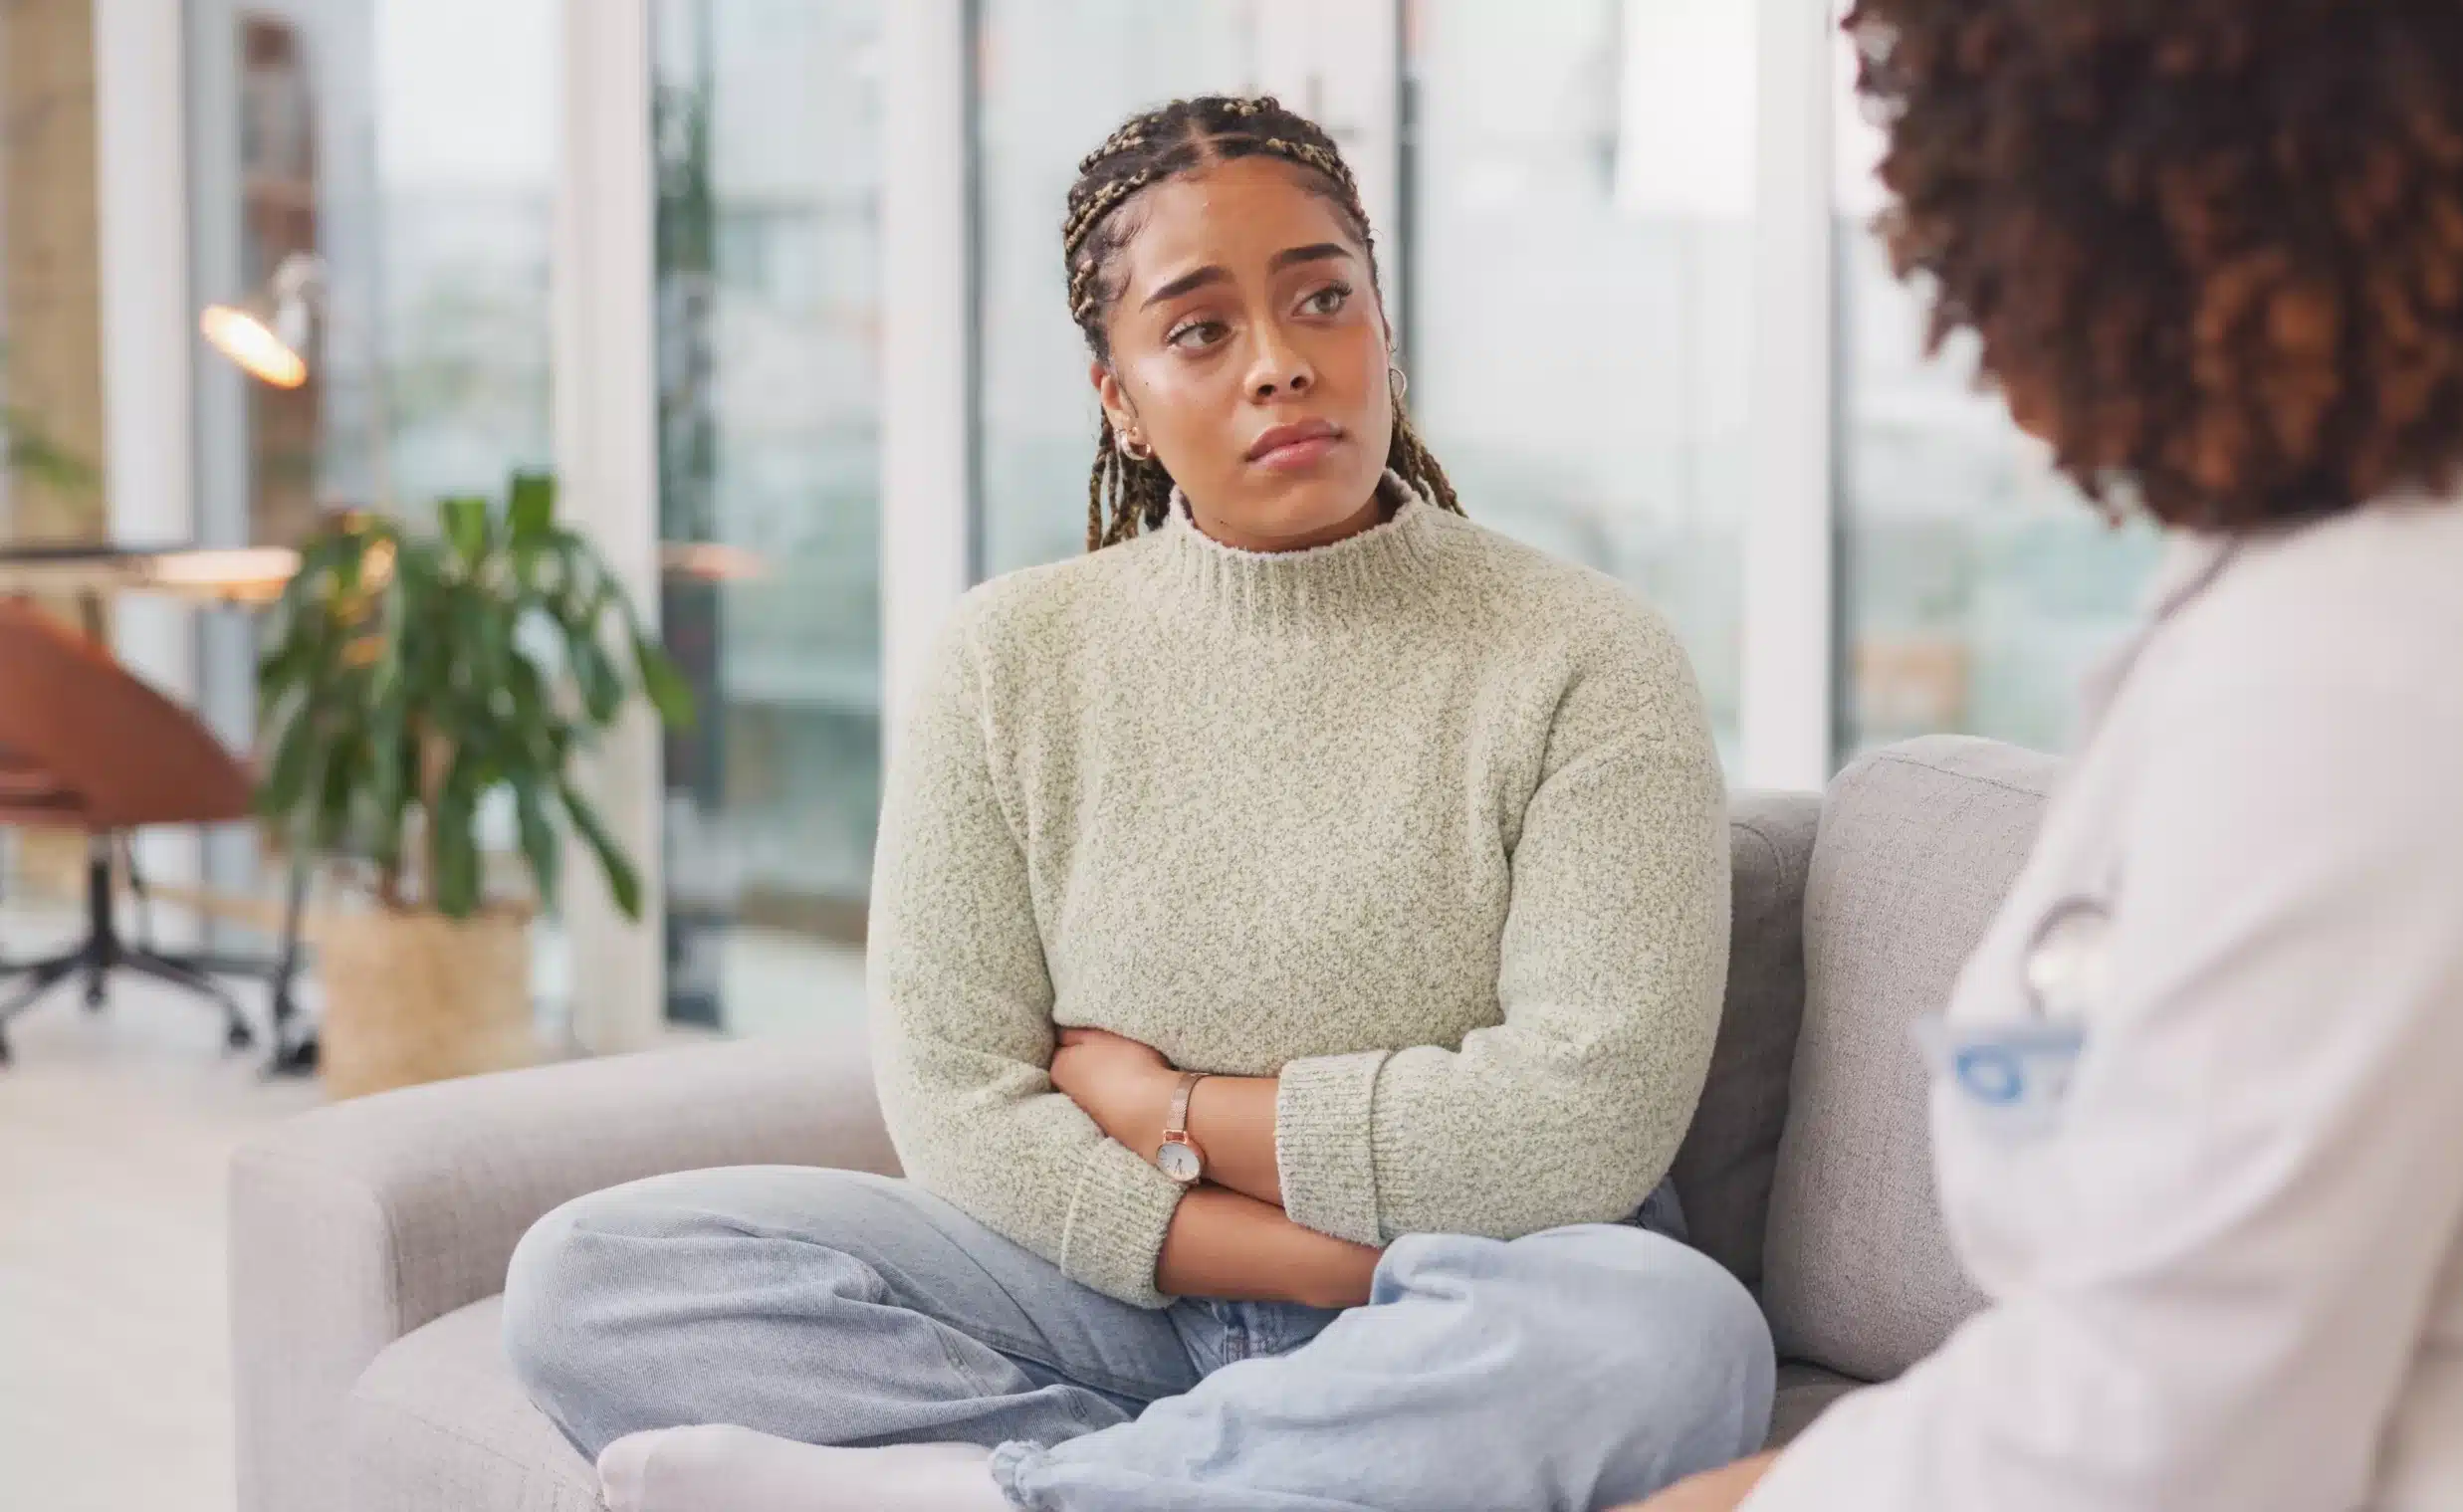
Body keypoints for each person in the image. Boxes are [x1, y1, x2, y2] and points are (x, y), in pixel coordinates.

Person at [1639, 1, 2463, 1508]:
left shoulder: (2421, 657)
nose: (1965, 301)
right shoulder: (2458, 588)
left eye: (1989, 223)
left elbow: (2159, 1425)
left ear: (2171, 220)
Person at [497, 94, 1772, 1512]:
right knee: (591, 1280)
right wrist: (1310, 1261)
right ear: (1122, 399)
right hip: (1122, 1302)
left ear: (1383, 329)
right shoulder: (1010, 659)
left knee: (1674, 1333)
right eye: (1200, 330)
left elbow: (1579, 1127)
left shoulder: (1586, 654)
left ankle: (1016, 1492)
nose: (1283, 366)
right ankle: (1227, 1475)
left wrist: (1170, 1103)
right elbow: (959, 1106)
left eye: (1323, 298)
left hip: (1473, 1307)